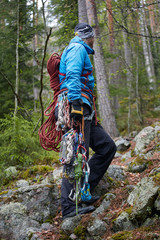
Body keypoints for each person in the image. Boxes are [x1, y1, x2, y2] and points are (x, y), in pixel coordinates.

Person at [58, 23, 117, 219]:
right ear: (88, 37)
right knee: (75, 156)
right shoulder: (77, 49)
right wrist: (75, 105)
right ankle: (68, 208)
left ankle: (84, 190)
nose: (94, 39)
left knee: (107, 146)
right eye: (93, 36)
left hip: (85, 110)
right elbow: (73, 75)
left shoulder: (77, 48)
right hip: (78, 108)